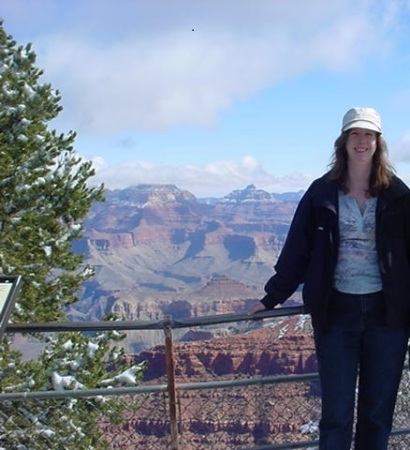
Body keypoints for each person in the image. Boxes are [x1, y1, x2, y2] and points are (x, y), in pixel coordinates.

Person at [249, 106, 410, 450]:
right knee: (336, 415)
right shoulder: (321, 193)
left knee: (376, 413)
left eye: (369, 134)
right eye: (355, 133)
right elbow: (298, 250)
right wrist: (271, 297)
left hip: (388, 316)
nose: (362, 141)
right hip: (337, 313)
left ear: (379, 143)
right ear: (344, 141)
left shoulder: (398, 195)